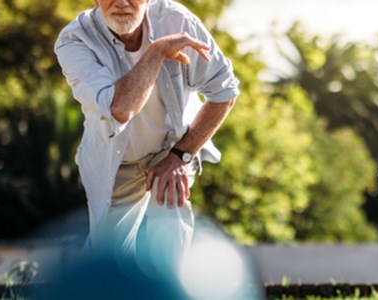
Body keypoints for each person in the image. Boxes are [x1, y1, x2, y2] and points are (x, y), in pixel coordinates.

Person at [54, 0, 239, 266]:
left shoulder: (176, 20)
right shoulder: (74, 40)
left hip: (171, 152)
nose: (120, 3)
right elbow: (119, 109)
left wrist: (180, 156)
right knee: (107, 260)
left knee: (170, 254)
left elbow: (225, 91)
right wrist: (158, 51)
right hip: (115, 160)